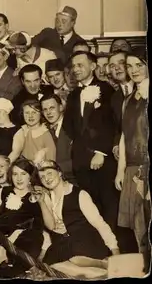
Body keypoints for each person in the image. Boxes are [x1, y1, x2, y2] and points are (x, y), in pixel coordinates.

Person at [62, 51, 120, 236]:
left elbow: (112, 124)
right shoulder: (73, 95)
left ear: (93, 66)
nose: (75, 69)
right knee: (90, 206)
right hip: (81, 161)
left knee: (108, 205)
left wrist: (101, 152)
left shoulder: (107, 90)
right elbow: (70, 126)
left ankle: (114, 249)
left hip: (102, 160)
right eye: (73, 66)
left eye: (80, 65)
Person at [37, 160, 120, 279]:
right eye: (42, 177)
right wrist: (42, 253)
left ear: (59, 173)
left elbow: (99, 223)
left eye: (49, 173)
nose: (47, 179)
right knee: (53, 267)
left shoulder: (79, 194)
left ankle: (104, 265)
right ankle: (104, 272)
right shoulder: (46, 198)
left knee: (75, 259)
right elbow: (49, 229)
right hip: (62, 244)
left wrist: (115, 249)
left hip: (84, 241)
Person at [114, 54, 150, 253]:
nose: (134, 70)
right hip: (132, 168)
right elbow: (124, 136)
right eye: (129, 66)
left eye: (139, 65)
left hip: (147, 166)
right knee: (138, 222)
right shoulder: (127, 100)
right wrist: (121, 170)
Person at [40, 94, 75, 183]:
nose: (48, 113)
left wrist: (52, 168)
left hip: (73, 180)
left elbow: (80, 160)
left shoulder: (73, 126)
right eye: (45, 110)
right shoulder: (42, 130)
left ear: (60, 107)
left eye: (52, 108)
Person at [10, 99, 56, 164]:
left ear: (40, 114)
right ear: (22, 114)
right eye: (27, 113)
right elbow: (15, 153)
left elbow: (51, 159)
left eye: (34, 112)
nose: (30, 116)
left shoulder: (46, 133)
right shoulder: (22, 131)